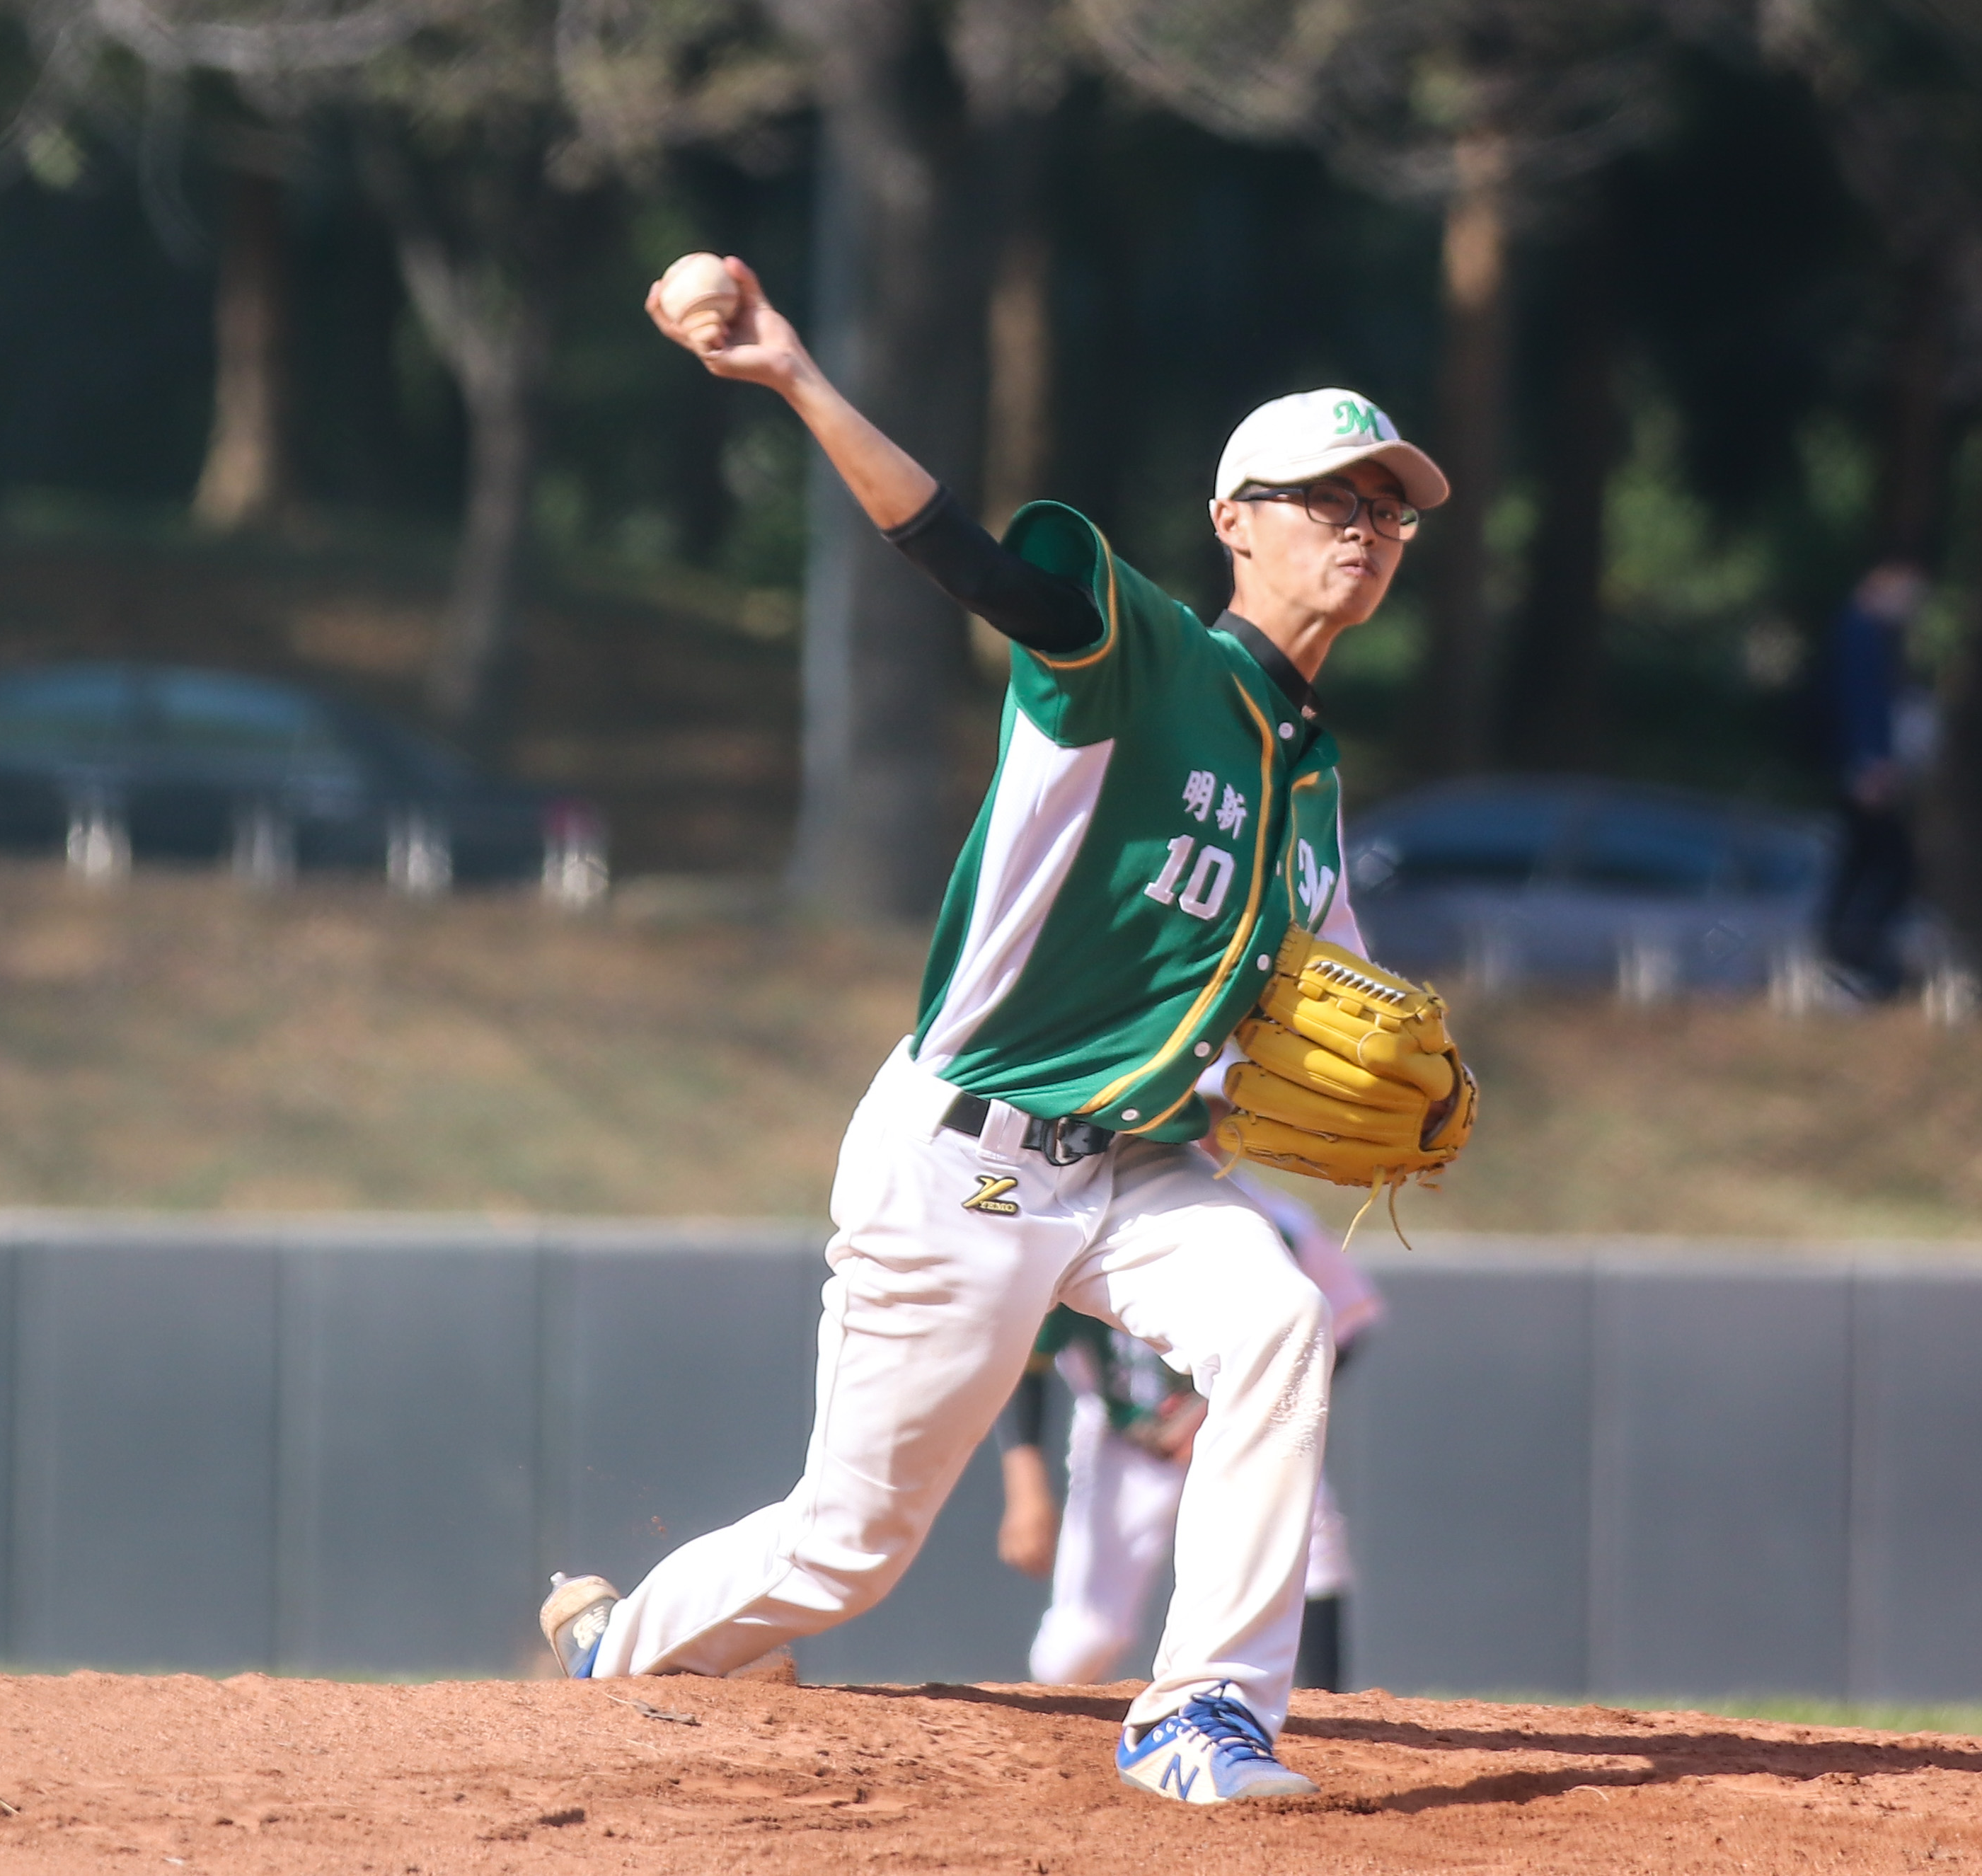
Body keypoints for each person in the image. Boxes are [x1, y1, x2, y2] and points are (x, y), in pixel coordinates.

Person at [536, 255, 1453, 1807]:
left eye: (1387, 504)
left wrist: (1387, 1088)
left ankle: (1202, 1711)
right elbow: (965, 555)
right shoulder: (1133, 653)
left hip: (1137, 1171)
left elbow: (1335, 1003)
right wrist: (795, 378)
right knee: (850, 1546)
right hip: (968, 1155)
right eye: (1325, 493)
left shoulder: (1310, 773)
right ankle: (618, 1645)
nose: (1362, 522)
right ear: (1236, 518)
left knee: (1277, 1318)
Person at [993, 1163, 1383, 1693]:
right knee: (1082, 1639)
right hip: (1128, 1444)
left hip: (1250, 1429)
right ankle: (1051, 1741)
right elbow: (1027, 1354)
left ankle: (1324, 1712)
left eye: (1222, 1110)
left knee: (1314, 1550)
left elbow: (1345, 1321)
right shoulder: (1093, 1216)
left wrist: (1229, 1404)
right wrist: (1026, 1486)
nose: (1208, 1126)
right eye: (1197, 1107)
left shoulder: (1279, 1219)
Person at [1818, 561, 1930, 999]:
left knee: (1861, 862)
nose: (1912, 611)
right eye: (1910, 599)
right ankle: (1850, 961)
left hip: (1859, 767)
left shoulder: (1860, 632)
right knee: (1888, 864)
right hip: (1863, 771)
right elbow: (1860, 702)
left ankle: (1844, 960)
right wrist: (1871, 766)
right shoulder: (1862, 633)